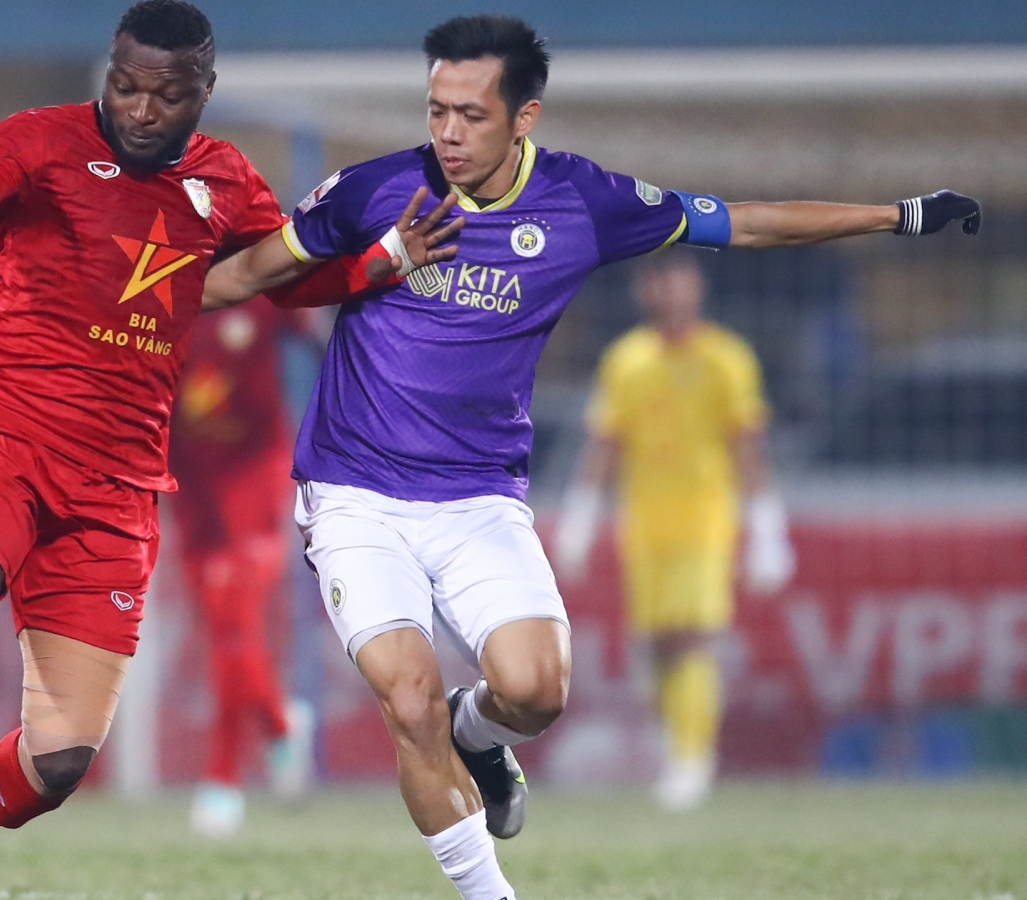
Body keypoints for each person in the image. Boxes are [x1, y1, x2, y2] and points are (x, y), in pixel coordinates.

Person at [200, 14, 981, 899]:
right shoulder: (373, 191)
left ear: (523, 118)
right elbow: (244, 276)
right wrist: (123, 303)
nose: (448, 132)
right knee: (407, 703)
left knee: (535, 693)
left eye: (472, 115)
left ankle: (474, 734)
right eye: (436, 110)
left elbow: (745, 223)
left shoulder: (582, 201)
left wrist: (896, 216)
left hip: (478, 500)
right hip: (355, 495)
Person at [0, 3, 457, 898]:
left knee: (60, 762)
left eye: (165, 95)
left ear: (204, 90)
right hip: (2, 433)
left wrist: (383, 259)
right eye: (125, 86)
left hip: (118, 483)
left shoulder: (226, 181)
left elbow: (276, 276)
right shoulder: (39, 140)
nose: (140, 109)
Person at [552, 251, 794, 811]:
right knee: (657, 644)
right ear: (644, 291)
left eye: (679, 281)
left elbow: (747, 445)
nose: (670, 293)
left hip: (707, 521)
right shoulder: (627, 361)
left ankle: (693, 760)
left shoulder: (726, 359)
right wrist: (581, 516)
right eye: (659, 282)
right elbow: (606, 443)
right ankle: (676, 745)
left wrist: (767, 527)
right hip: (644, 523)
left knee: (694, 635)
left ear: (697, 288)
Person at [170, 301, 317, 836]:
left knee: (235, 621)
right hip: (186, 476)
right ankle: (278, 722)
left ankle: (223, 777)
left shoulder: (260, 280)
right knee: (219, 624)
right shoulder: (157, 280)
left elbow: (322, 330)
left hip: (254, 472)